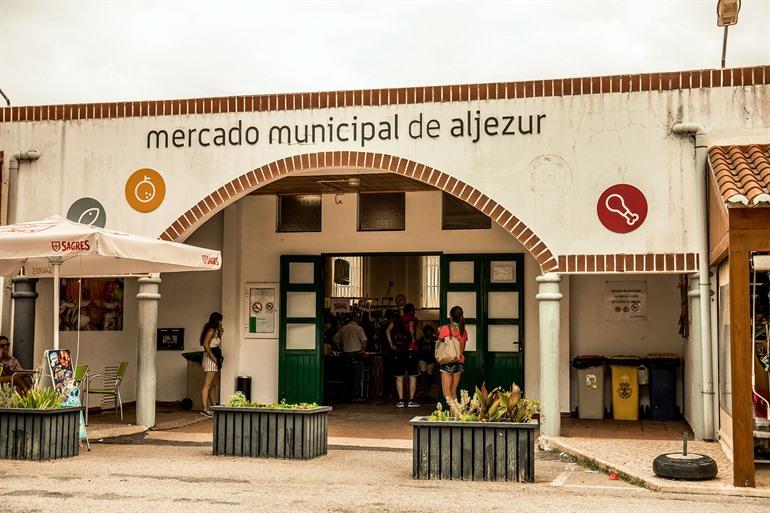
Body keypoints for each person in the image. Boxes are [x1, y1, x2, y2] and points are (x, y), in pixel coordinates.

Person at [388, 303, 420, 407]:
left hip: (398, 350)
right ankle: (411, 400)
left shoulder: (397, 320)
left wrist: (392, 344)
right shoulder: (412, 319)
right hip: (410, 349)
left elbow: (387, 331)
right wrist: (414, 340)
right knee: (412, 376)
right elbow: (411, 329)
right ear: (411, 311)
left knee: (399, 376)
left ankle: (400, 400)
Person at [333, 312, 368, 402]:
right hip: (356, 354)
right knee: (357, 376)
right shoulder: (359, 329)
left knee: (346, 376)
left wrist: (340, 349)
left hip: (345, 354)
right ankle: (356, 396)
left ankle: (346, 396)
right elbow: (364, 340)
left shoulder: (343, 329)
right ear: (355, 318)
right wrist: (363, 349)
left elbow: (335, 340)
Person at [437, 305, 468, 405]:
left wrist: (439, 331)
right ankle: (455, 417)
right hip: (458, 363)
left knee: (446, 394)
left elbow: (440, 341)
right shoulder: (463, 331)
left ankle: (457, 414)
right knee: (454, 393)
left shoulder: (446, 328)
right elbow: (462, 349)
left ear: (450, 316)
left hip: (447, 362)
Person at [199, 312, 223, 418]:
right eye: (220, 320)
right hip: (210, 359)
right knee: (207, 385)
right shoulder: (211, 330)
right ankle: (204, 409)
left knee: (212, 385)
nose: (221, 322)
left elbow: (215, 343)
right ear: (217, 320)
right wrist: (213, 358)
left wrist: (220, 334)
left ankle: (213, 407)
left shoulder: (215, 331)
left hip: (213, 359)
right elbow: (205, 344)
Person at [416, 325, 437, 401]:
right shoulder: (421, 340)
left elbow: (436, 350)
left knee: (429, 375)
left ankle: (427, 390)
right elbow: (418, 350)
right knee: (424, 374)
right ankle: (424, 390)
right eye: (427, 331)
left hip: (431, 359)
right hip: (423, 358)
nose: (429, 333)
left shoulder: (434, 340)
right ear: (424, 332)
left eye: (430, 331)